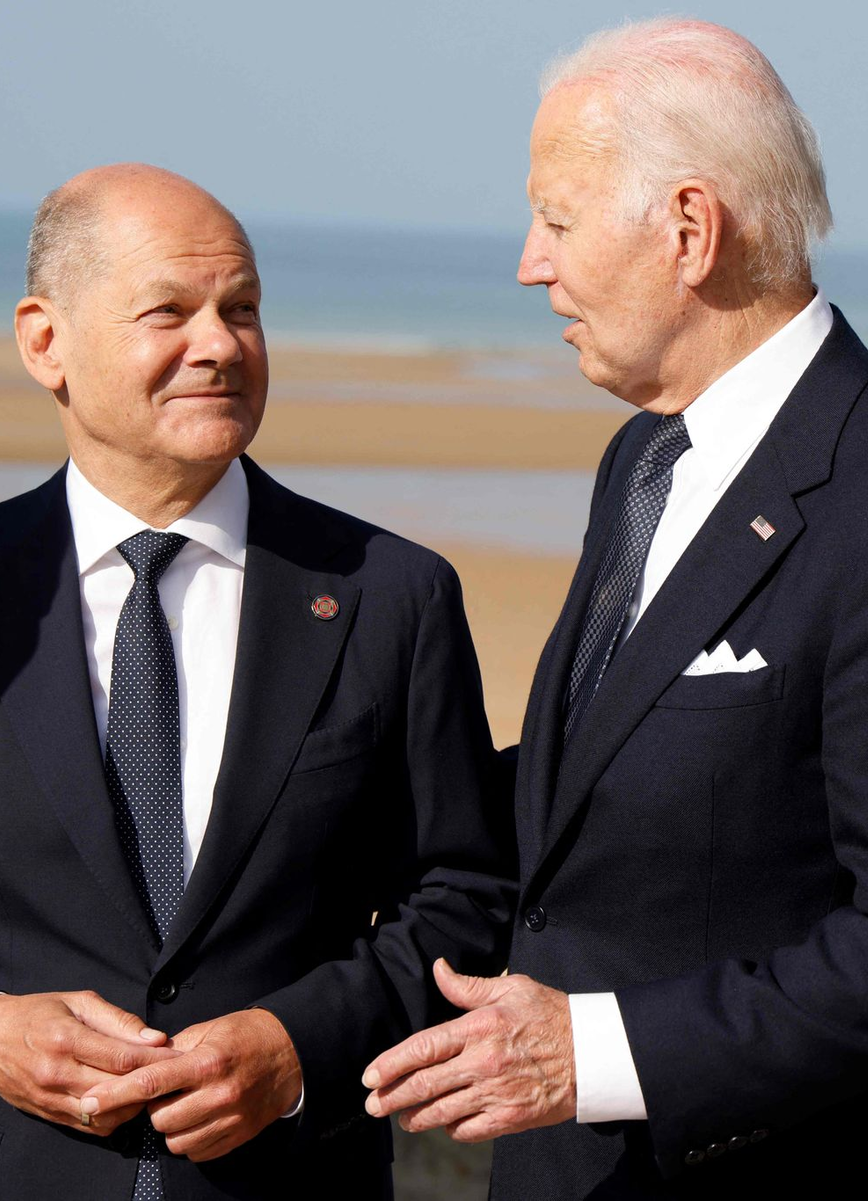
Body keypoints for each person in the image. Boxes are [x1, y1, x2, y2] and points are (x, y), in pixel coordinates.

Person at [362, 18, 868, 1200]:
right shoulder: (642, 460)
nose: (530, 263)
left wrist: (597, 1054)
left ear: (688, 230)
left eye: (558, 221)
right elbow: (596, 789)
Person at [0, 163, 515, 1199]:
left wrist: (297, 1049)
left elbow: (467, 897)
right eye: (169, 312)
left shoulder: (390, 594)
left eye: (242, 309)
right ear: (46, 342)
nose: (221, 345)